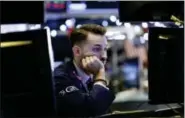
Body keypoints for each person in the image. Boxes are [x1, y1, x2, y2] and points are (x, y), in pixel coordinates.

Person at [54, 24, 115, 117]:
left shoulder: (90, 77)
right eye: (97, 49)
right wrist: (100, 75)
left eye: (105, 49)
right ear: (77, 51)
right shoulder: (60, 78)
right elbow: (88, 110)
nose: (104, 56)